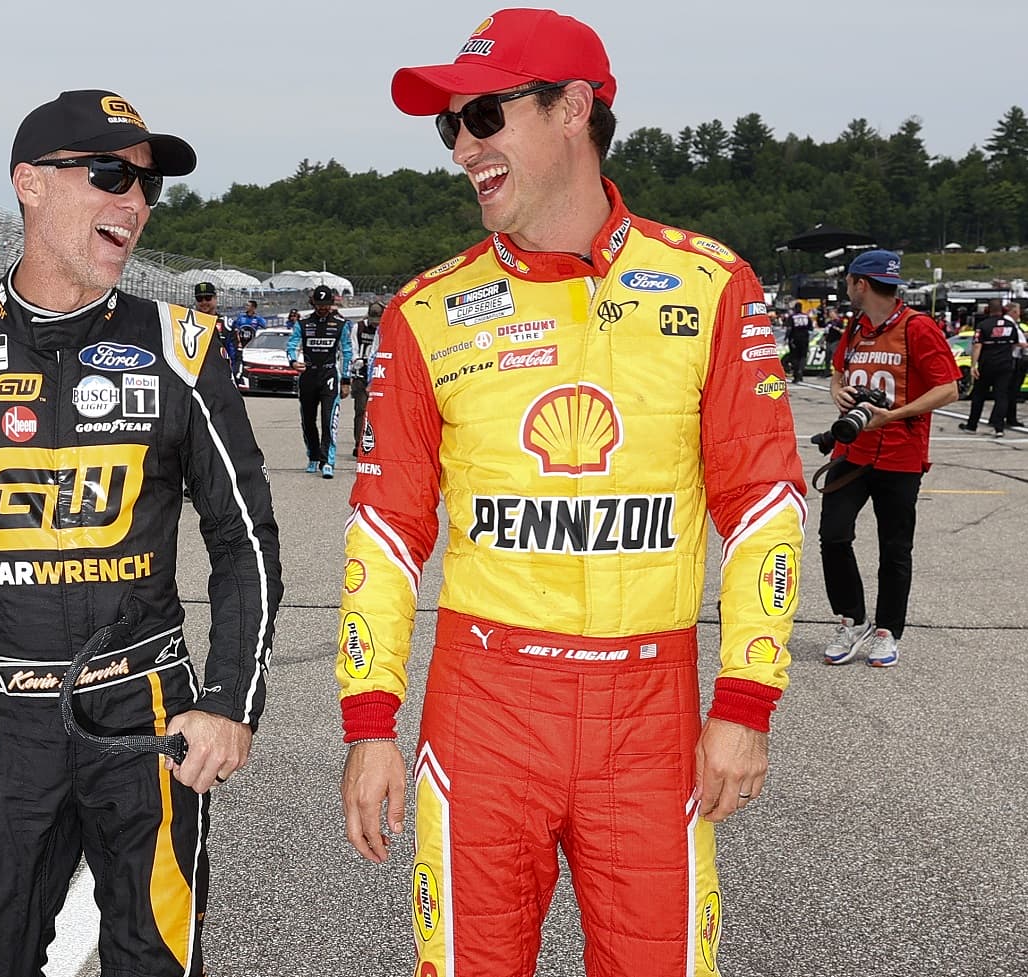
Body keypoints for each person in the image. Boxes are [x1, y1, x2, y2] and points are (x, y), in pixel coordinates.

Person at [335, 11, 807, 976]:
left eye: (482, 115)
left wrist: (747, 701)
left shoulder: (712, 284)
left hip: (652, 710)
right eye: (448, 127)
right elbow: (384, 531)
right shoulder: (424, 312)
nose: (463, 145)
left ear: (575, 110)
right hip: (486, 703)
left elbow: (764, 507)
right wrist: (369, 723)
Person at [0, 88, 283, 977]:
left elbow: (245, 539)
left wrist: (230, 699)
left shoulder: (184, 347)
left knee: (155, 961)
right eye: (110, 173)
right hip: (1, 718)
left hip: (147, 717)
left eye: (147, 186)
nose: (135, 202)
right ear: (30, 183)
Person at [820, 249, 958, 669]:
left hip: (900, 453)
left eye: (848, 281)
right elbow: (837, 372)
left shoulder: (919, 328)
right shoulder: (856, 327)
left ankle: (887, 631)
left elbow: (949, 389)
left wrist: (893, 415)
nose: (846, 288)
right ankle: (851, 618)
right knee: (834, 535)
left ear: (861, 283)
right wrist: (838, 392)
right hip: (852, 449)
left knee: (894, 548)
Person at [286, 283, 352, 478]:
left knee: (328, 419)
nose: (322, 307)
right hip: (308, 376)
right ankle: (313, 455)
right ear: (313, 302)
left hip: (329, 375)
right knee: (307, 420)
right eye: (319, 303)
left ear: (332, 303)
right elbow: (291, 345)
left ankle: (328, 461)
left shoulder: (341, 325)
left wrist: (346, 380)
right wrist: (292, 361)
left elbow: (347, 352)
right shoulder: (302, 324)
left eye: (326, 303)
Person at [958, 300, 1025, 437]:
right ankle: (999, 428)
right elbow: (1016, 344)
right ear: (1003, 311)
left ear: (988, 310)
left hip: (987, 364)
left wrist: (973, 365)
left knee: (979, 395)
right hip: (1005, 365)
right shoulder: (1010, 326)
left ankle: (972, 425)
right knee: (1001, 396)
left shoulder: (983, 325)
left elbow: (977, 346)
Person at [350, 301, 383, 456]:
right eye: (373, 321)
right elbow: (352, 348)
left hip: (380, 374)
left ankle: (376, 443)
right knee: (361, 410)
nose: (375, 325)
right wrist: (357, 361)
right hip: (361, 375)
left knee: (380, 412)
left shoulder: (386, 330)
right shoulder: (359, 327)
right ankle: (359, 443)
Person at [194, 279, 241, 382]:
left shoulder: (227, 324)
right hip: (195, 379)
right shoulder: (188, 322)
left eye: (208, 298)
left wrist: (232, 379)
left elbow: (236, 355)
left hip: (220, 380)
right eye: (199, 299)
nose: (204, 302)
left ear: (215, 299)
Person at [1006, 301, 1025, 428]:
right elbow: (1017, 342)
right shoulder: (1010, 324)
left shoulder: (1014, 325)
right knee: (1012, 392)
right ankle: (1010, 418)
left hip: (1012, 360)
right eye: (1018, 312)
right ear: (1013, 312)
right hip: (1013, 360)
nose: (1020, 314)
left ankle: (1004, 417)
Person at [784, 301, 813, 382]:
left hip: (794, 338)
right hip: (805, 338)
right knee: (803, 356)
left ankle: (796, 374)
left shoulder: (792, 317)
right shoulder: (806, 317)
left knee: (795, 357)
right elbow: (811, 328)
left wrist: (786, 338)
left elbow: (789, 329)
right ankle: (801, 371)